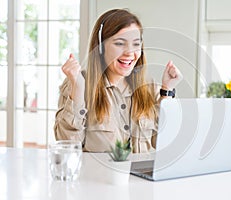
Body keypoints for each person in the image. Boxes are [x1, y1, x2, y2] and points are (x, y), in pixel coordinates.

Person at [54, 9, 182, 153]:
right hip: (96, 175)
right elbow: (68, 145)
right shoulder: (78, 84)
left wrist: (167, 90)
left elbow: (162, 142)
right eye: (120, 43)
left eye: (136, 44)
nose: (129, 53)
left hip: (139, 176)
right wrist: (77, 89)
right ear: (101, 47)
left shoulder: (150, 87)